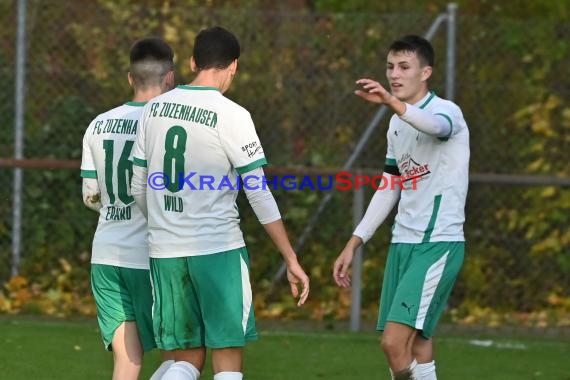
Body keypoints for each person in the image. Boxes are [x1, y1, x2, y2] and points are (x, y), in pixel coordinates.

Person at [130, 26, 310, 380]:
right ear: (233, 67)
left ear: (194, 62)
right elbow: (257, 192)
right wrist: (290, 258)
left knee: (184, 361)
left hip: (165, 252)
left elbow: (139, 185)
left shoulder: (153, 109)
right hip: (217, 250)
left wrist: (163, 226)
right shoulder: (232, 114)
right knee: (226, 358)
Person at [333, 35, 469, 380]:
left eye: (404, 67)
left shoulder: (445, 111)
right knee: (418, 346)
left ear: (426, 72)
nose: (395, 74)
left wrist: (391, 102)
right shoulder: (396, 123)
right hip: (403, 243)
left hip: (437, 243)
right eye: (390, 67)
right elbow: (389, 186)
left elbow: (436, 127)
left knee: (393, 345)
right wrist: (354, 242)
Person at [80, 36, 177, 380]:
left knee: (127, 362)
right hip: (152, 255)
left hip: (106, 254)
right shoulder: (165, 125)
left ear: (129, 77)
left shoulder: (98, 124)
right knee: (178, 357)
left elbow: (91, 195)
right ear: (170, 78)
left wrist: (116, 208)